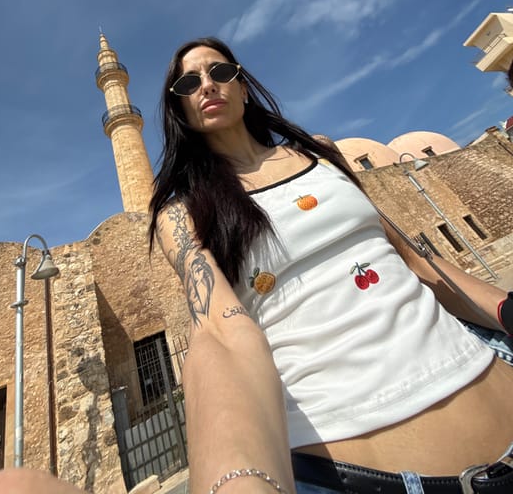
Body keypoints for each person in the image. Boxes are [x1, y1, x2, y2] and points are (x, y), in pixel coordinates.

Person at [149, 37, 513, 494]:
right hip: (365, 474)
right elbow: (219, 330)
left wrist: (505, 309)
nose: (207, 85)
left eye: (220, 73)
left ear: (243, 87)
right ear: (178, 108)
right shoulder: (182, 214)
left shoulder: (320, 155)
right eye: (189, 82)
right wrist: (236, 478)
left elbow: (412, 261)